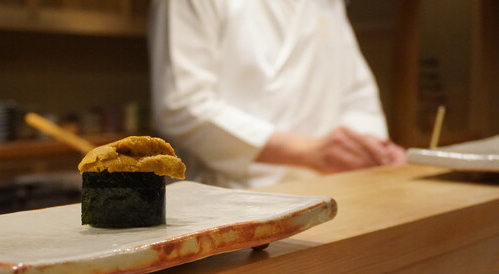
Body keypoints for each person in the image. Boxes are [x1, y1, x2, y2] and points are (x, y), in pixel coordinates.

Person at [148, 0, 406, 188]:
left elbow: (357, 95)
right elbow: (183, 106)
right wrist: (308, 152)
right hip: (233, 198)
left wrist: (369, 149)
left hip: (330, 189)